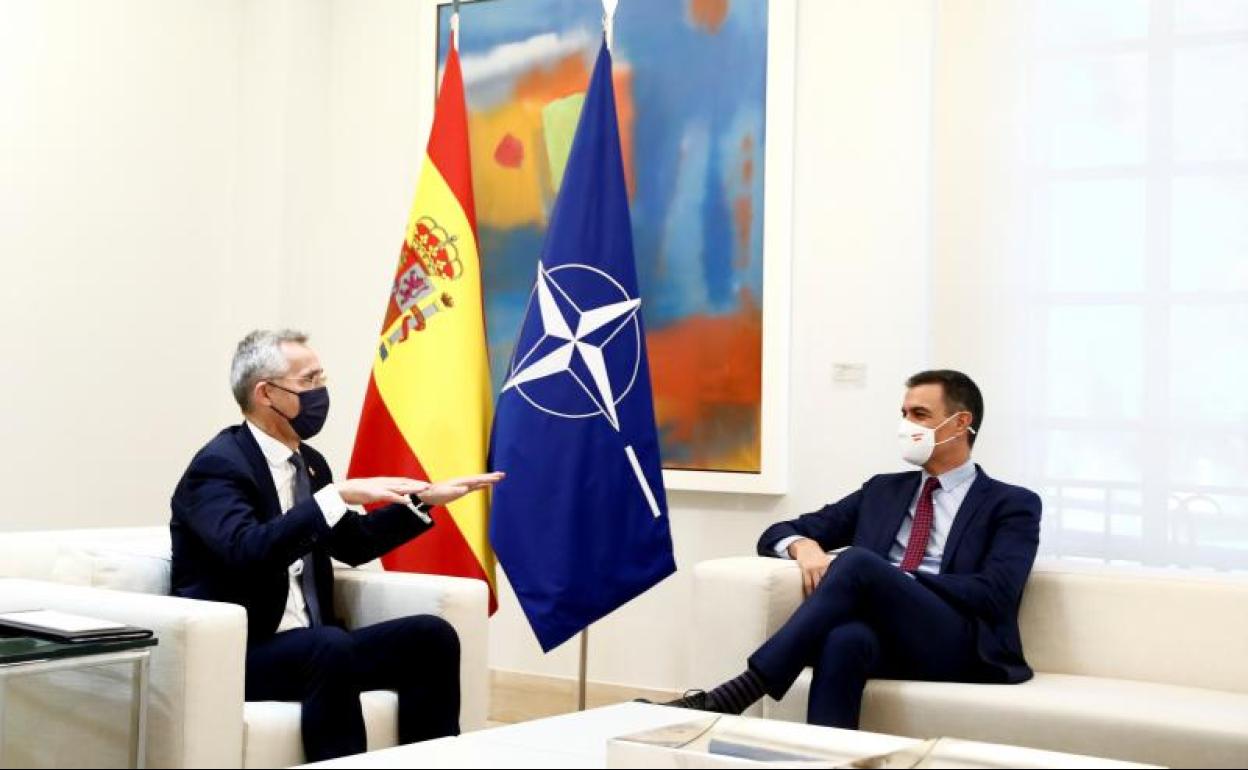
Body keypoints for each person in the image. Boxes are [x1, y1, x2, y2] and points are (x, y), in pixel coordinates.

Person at [170, 329, 502, 761]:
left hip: (318, 649)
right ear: (266, 393)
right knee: (328, 644)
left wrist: (422, 501)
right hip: (244, 653)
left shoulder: (309, 464)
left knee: (429, 636)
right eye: (308, 381)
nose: (321, 392)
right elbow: (246, 551)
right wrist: (335, 497)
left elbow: (353, 544)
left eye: (321, 378)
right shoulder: (218, 467)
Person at [664, 370, 1041, 729]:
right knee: (844, 640)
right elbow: (777, 532)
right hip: (887, 637)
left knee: (859, 562)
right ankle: (826, 757)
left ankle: (737, 692)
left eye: (920, 414)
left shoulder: (1011, 503)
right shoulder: (882, 491)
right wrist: (803, 546)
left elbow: (997, 593)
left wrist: (897, 581)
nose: (906, 425)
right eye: (904, 413)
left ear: (960, 424)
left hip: (960, 642)